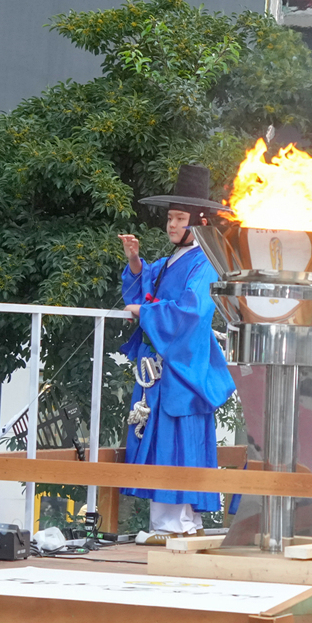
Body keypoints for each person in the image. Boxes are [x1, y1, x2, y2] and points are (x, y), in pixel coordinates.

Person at [117, 164, 236, 537]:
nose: (171, 225)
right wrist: (135, 262)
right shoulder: (170, 260)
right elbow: (145, 288)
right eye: (169, 218)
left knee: (178, 442)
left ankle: (179, 524)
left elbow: (193, 311)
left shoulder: (205, 263)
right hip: (160, 367)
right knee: (160, 441)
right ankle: (166, 523)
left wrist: (144, 311)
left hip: (183, 365)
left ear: (198, 222)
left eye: (179, 218)